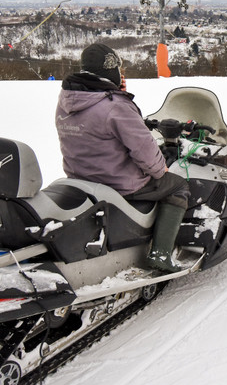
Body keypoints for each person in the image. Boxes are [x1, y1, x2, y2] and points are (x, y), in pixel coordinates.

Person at [55, 43, 190, 273]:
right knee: (178, 186)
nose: (122, 73)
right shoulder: (115, 106)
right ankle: (161, 254)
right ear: (111, 70)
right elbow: (144, 149)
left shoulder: (68, 99)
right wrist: (161, 170)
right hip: (118, 182)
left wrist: (115, 90)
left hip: (80, 178)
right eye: (119, 69)